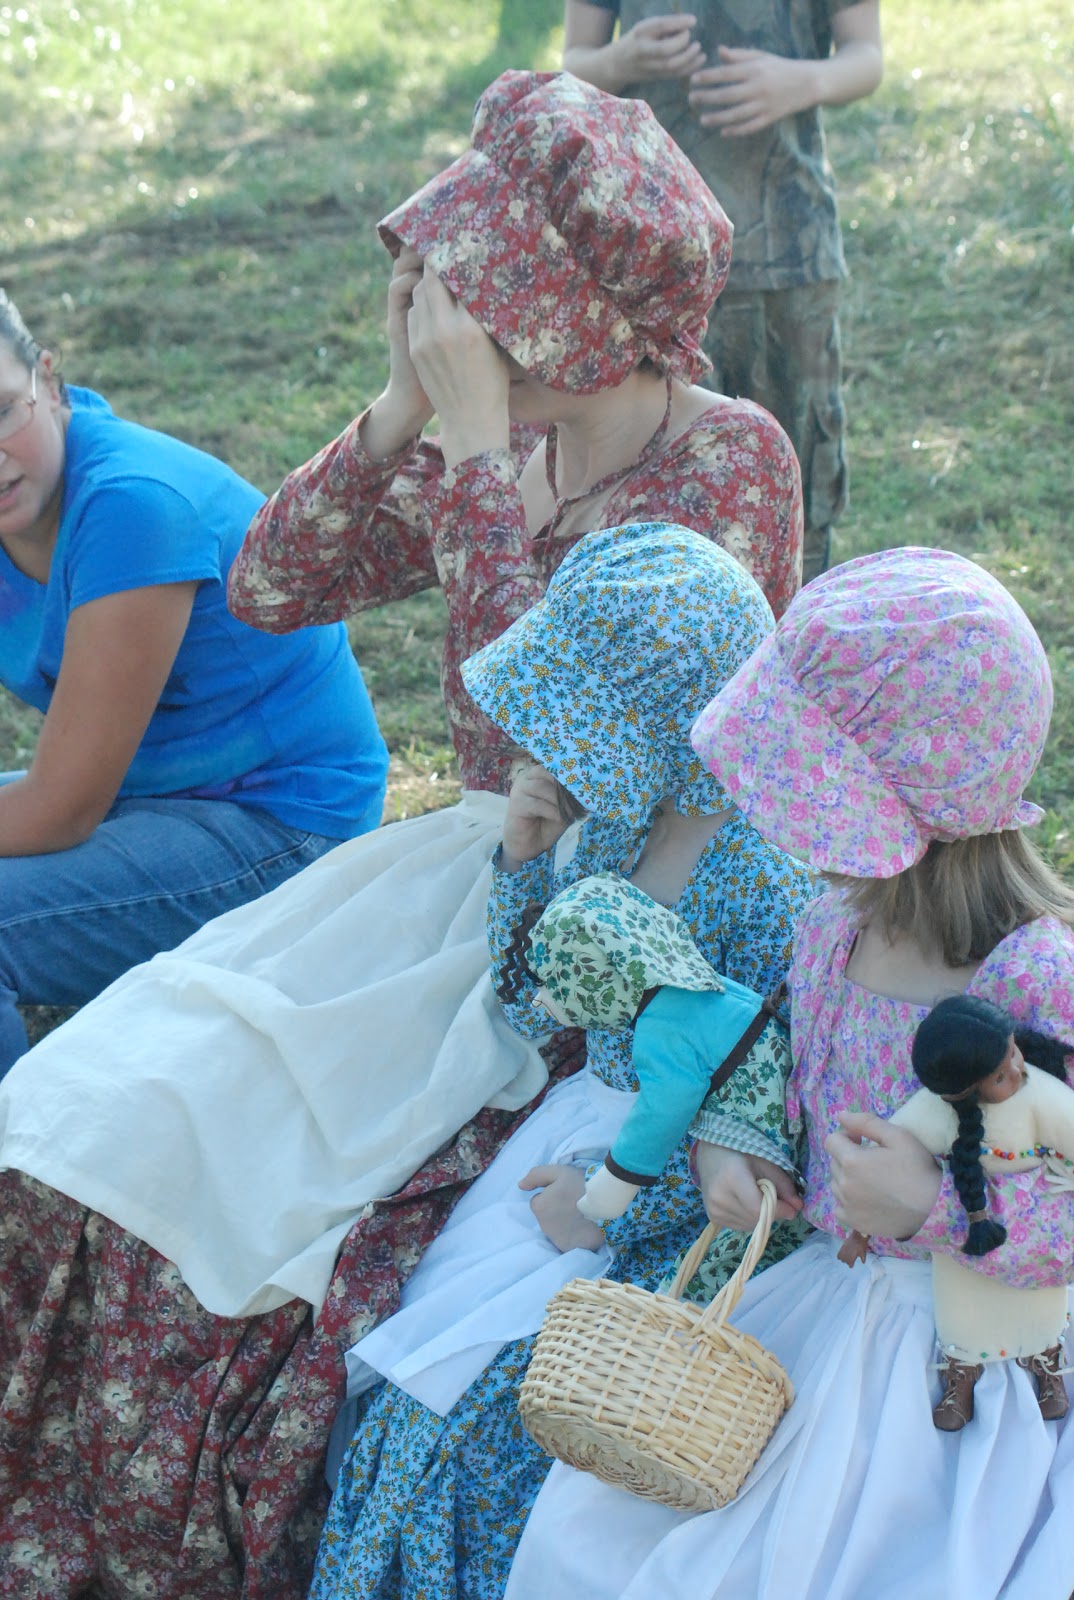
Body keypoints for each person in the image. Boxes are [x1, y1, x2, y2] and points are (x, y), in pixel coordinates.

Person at [0, 71, 804, 1599]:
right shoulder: (476, 439)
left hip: (610, 902)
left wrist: (483, 458)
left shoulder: (726, 459)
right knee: (118, 1099)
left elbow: (552, 756)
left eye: (486, 291)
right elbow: (269, 580)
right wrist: (399, 410)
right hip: (469, 870)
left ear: (572, 313)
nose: (455, 316)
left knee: (261, 1195)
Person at [506, 547, 1074, 1600]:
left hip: (978, 1356)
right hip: (829, 1302)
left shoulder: (1035, 976)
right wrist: (742, 1160)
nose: (784, 816)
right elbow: (793, 1110)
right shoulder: (831, 931)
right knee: (611, 1533)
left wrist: (933, 1208)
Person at [310, 524, 815, 1600]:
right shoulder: (630, 812)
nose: (571, 743)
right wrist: (527, 863)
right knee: (384, 1349)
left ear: (675, 711)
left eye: (596, 718)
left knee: (466, 1417)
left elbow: (761, 1114)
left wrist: (607, 1207)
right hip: (577, 1130)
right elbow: (538, 999)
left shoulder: (767, 878)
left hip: (667, 1189)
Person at [0, 289, 387, 1073]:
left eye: (3, 411)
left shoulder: (132, 507)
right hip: (152, 794)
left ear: (50, 381)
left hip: (287, 826)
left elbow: (63, 808)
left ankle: (25, 1152)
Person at [562, 1, 883, 583]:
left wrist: (800, 80)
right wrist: (621, 59)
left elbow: (867, 57)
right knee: (660, 484)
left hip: (790, 255)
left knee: (801, 483)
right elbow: (574, 62)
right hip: (648, 265)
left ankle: (794, 631)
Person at [838, 994, 1074, 1429]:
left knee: (1041, 1302)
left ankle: (1047, 1365)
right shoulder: (931, 1113)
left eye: (1014, 1052)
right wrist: (860, 1231)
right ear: (962, 1090)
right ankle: (960, 1375)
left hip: (1039, 1230)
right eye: (1000, 1075)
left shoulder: (1039, 1093)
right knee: (961, 1308)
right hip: (964, 1222)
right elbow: (880, 1167)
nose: (1018, 1070)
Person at [505, 872, 780, 1223]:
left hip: (762, 1142)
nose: (541, 999)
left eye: (554, 982)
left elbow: (666, 1104)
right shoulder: (695, 985)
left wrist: (616, 1181)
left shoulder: (660, 1026)